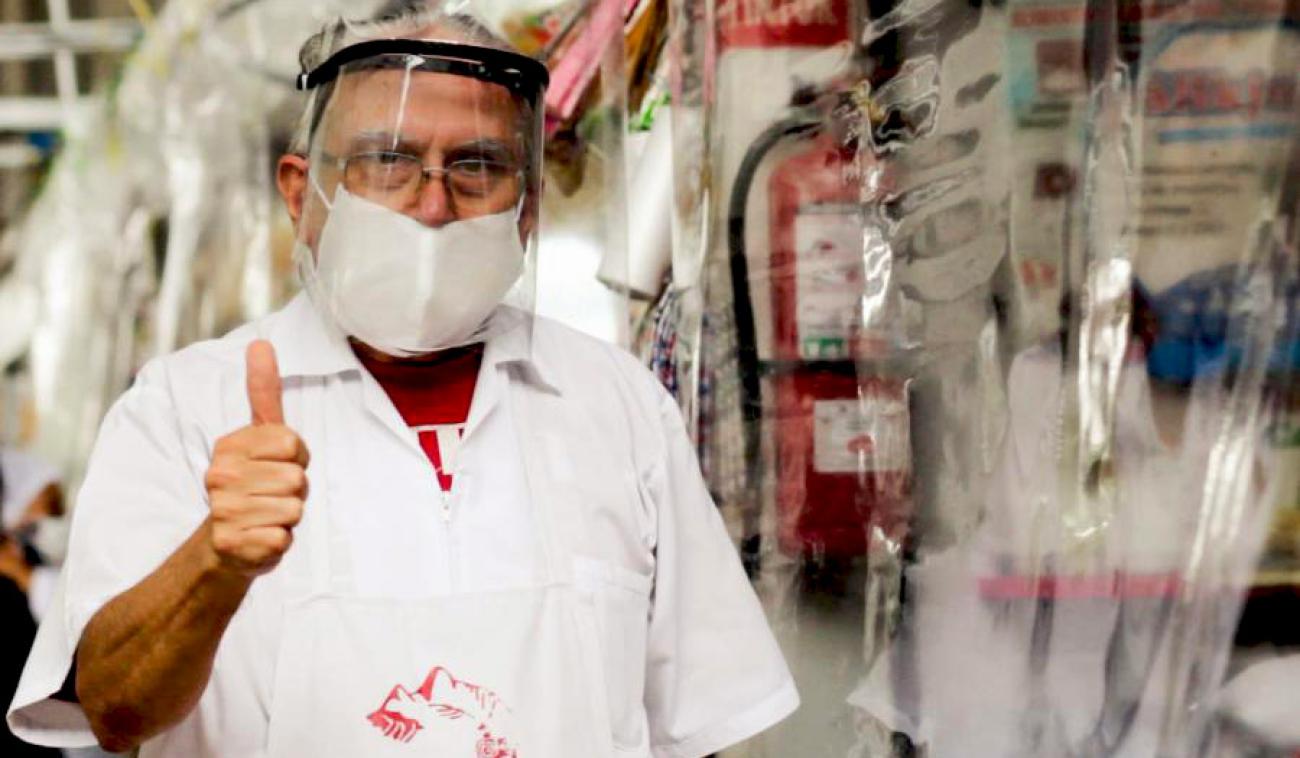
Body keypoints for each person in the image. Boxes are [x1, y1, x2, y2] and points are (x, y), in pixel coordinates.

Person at [6, 3, 797, 757]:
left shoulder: (617, 407)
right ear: (300, 194)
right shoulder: (180, 409)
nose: (432, 205)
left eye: (477, 166)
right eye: (387, 161)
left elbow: (707, 720)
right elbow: (113, 710)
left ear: (526, 212)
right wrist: (216, 562)